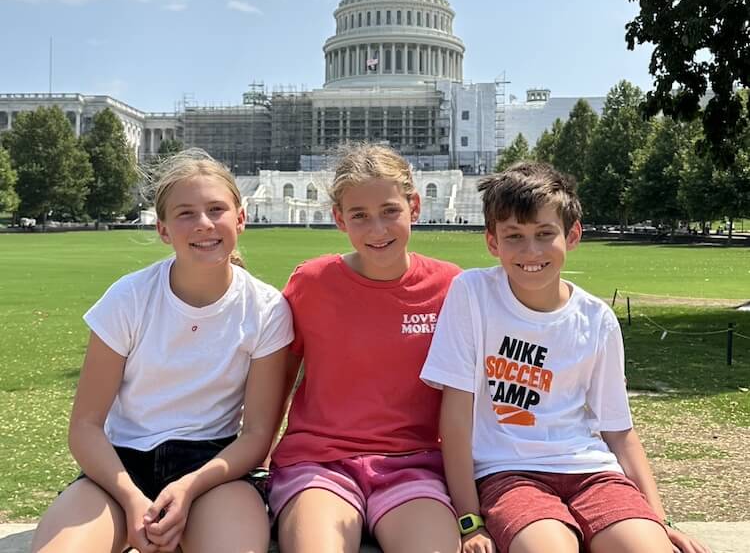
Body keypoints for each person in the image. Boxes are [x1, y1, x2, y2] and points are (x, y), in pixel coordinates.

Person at [421, 162, 710, 553]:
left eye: (544, 234)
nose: (531, 251)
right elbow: (456, 416)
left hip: (591, 471)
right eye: (514, 236)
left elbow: (619, 431)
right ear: (493, 242)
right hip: (509, 472)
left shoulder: (596, 319)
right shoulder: (472, 294)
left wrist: (659, 521)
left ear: (571, 235)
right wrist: (470, 520)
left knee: (646, 547)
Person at [32, 149, 293, 553]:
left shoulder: (266, 308)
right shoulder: (129, 297)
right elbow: (85, 425)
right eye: (185, 213)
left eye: (216, 209)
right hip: (119, 467)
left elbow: (258, 434)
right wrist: (132, 499)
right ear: (164, 229)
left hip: (213, 472)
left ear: (241, 218)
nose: (204, 223)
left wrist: (189, 487)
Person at [269, 144, 462, 553]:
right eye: (360, 215)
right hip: (319, 463)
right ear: (340, 218)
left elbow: (472, 389)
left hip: (414, 466)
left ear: (415, 205)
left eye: (390, 210)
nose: (377, 229)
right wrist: (259, 457)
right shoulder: (312, 283)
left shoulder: (451, 287)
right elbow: (279, 381)